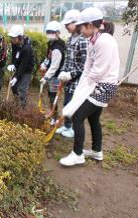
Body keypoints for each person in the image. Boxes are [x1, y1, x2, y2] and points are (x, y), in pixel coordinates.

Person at [59, 8, 120, 166]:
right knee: (93, 118)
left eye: (83, 27)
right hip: (95, 83)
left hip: (104, 86)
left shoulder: (104, 41)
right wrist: (80, 88)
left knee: (77, 116)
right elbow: (87, 68)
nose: (81, 30)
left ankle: (77, 154)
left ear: (92, 25)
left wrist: (78, 97)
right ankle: (96, 151)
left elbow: (98, 72)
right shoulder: (93, 40)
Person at [55, 10, 89, 138]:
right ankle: (67, 125)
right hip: (68, 80)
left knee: (74, 105)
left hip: (78, 81)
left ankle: (74, 128)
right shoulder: (69, 40)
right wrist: (63, 72)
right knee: (66, 103)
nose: (65, 27)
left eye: (68, 24)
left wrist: (71, 75)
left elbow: (84, 65)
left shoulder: (83, 41)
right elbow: (68, 59)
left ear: (76, 23)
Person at [40, 21, 66, 125]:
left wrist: (45, 77)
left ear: (58, 32)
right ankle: (53, 115)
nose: (50, 33)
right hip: (51, 75)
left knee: (53, 97)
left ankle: (55, 118)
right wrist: (44, 64)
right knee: (50, 96)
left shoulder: (58, 48)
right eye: (48, 31)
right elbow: (48, 58)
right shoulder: (51, 44)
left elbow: (55, 66)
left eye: (52, 32)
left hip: (56, 76)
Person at [7, 25, 34, 107]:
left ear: (20, 37)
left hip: (26, 70)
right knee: (14, 86)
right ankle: (16, 104)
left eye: (14, 38)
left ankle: (22, 108)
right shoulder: (14, 43)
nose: (12, 39)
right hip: (19, 67)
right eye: (11, 37)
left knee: (22, 89)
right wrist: (13, 64)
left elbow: (24, 65)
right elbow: (14, 55)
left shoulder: (27, 48)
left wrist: (16, 77)